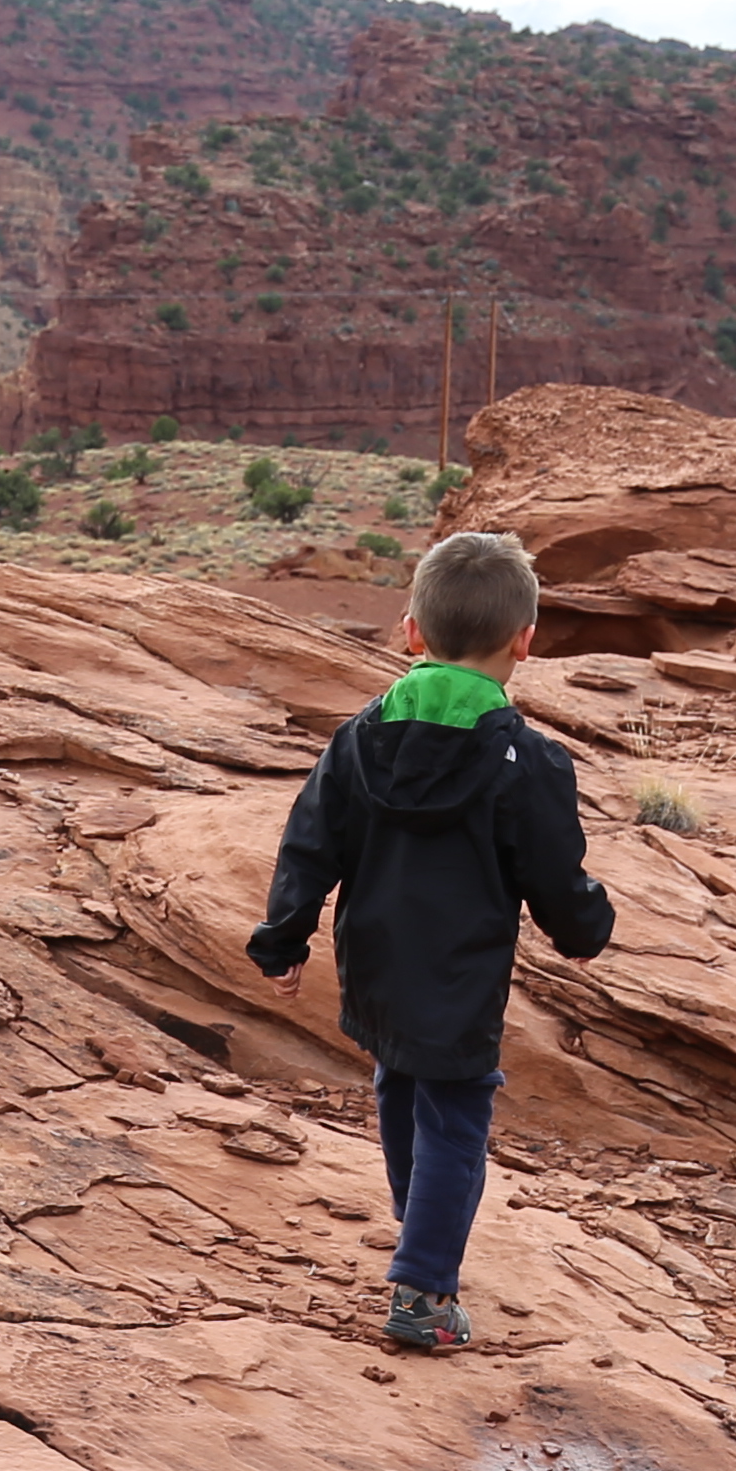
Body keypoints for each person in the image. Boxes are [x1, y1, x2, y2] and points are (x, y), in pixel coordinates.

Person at [250, 528, 615, 1354]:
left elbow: (309, 842)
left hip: (373, 959)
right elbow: (555, 870)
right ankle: (423, 1294)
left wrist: (283, 938)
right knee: (455, 1115)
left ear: (413, 631)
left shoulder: (360, 735)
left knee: (400, 1087)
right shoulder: (528, 758)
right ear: (525, 639)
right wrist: (583, 930)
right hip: (459, 973)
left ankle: (417, 1224)